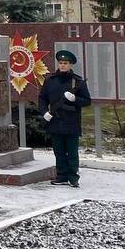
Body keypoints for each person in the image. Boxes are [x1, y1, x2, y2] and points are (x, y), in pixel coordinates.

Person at [40, 50, 92, 188]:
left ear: (70, 65)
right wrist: (44, 112)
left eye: (66, 63)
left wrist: (75, 99)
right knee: (59, 151)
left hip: (71, 122)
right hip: (55, 121)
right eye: (61, 63)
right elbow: (43, 98)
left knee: (72, 152)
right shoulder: (50, 80)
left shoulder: (77, 81)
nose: (62, 65)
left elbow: (87, 101)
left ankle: (73, 177)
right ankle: (61, 176)